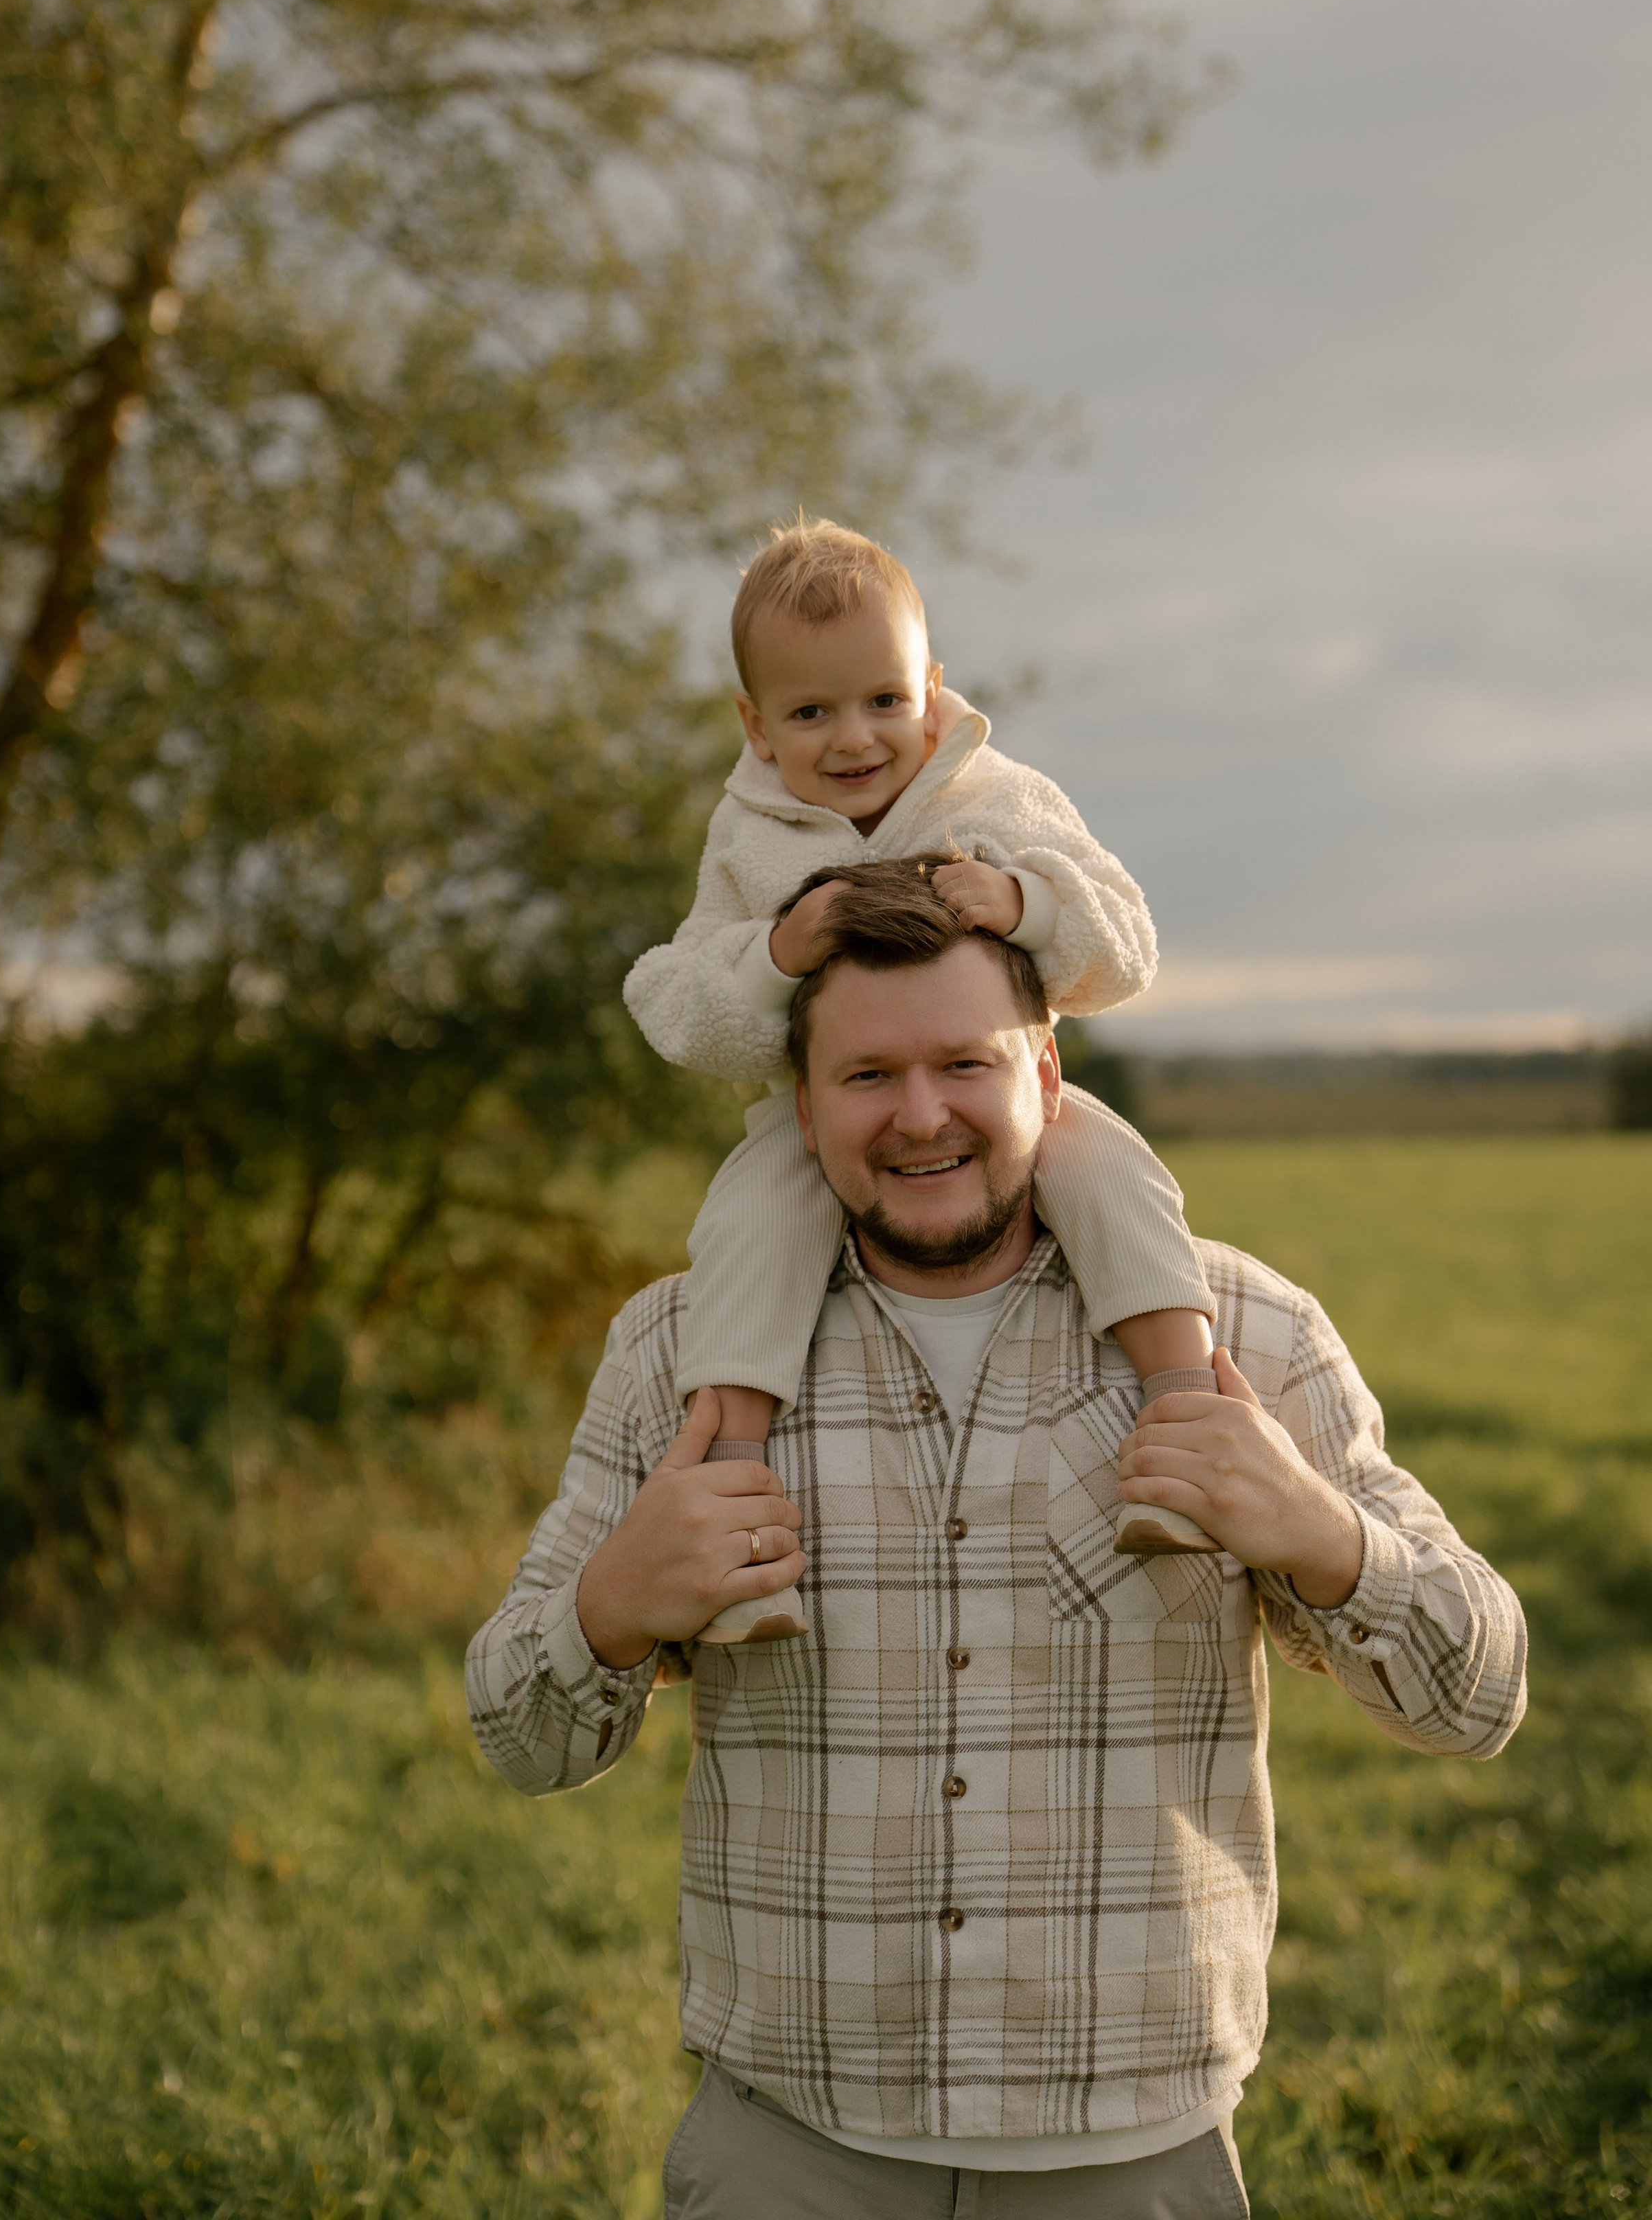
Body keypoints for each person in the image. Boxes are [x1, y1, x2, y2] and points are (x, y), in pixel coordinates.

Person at [467, 865, 1527, 2216]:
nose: (919, 1118)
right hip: (786, 2151)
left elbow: (1479, 1699)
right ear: (800, 1105)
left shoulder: (1242, 1337)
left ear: (1044, 1068)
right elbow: (514, 1735)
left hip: (1132, 2154)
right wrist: (610, 1606)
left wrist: (1319, 1538)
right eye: (866, 1077)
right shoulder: (676, 1356)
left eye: (963, 1063)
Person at [623, 516, 1222, 1638]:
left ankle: (1185, 1426)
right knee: (748, 1232)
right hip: (819, 1133)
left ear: (933, 687)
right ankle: (739, 1514)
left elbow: (1127, 944)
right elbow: (673, 1006)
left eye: (883, 701)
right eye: (810, 713)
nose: (854, 739)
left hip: (1015, 1111)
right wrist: (777, 954)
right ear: (755, 724)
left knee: (1118, 1175)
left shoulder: (995, 799)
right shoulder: (751, 842)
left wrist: (1028, 905)